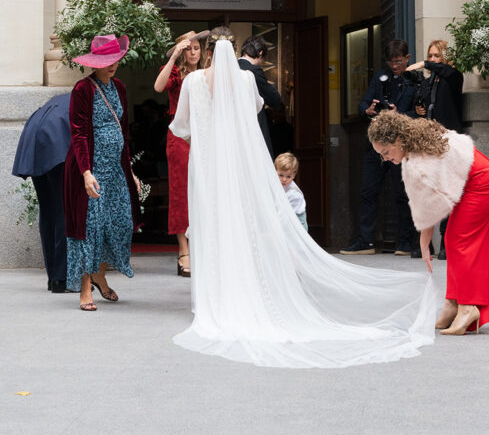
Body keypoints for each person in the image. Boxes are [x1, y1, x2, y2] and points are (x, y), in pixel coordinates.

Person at [169, 28, 437, 368]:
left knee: (213, 223)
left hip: (207, 166)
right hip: (239, 165)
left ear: (206, 52)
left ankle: (215, 299)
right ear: (232, 50)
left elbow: (181, 126)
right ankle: (245, 293)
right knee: (243, 224)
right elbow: (254, 112)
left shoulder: (193, 83)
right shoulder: (246, 81)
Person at [368, 112, 489, 335]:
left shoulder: (418, 157)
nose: (385, 158)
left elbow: (430, 204)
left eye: (385, 152)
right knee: (452, 239)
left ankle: (468, 306)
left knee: (460, 241)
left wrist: (424, 243)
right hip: (473, 179)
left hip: (481, 183)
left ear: (398, 140)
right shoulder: (415, 142)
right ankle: (453, 303)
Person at [63, 34, 141, 311]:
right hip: (91, 169)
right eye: (106, 61)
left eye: (115, 59)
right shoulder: (83, 89)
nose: (112, 64)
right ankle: (86, 287)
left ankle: (100, 274)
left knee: (118, 224)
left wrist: (129, 170)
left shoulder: (119, 87)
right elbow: (79, 134)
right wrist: (85, 172)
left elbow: (125, 133)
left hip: (116, 170)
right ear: (94, 63)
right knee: (90, 228)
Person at [340, 39, 420, 256]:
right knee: (368, 192)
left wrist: (399, 115)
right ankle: (366, 242)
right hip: (376, 146)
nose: (395, 66)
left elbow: (420, 113)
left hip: (400, 145)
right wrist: (369, 110)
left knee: (403, 193)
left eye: (398, 61)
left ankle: (405, 243)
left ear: (407, 58)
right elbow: (363, 104)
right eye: (391, 62)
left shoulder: (415, 80)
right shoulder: (380, 77)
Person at [153, 30, 208, 278]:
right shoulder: (176, 72)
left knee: (205, 190)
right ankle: (183, 250)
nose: (193, 52)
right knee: (181, 192)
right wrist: (174, 56)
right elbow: (158, 86)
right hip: (179, 136)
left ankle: (204, 248)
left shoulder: (208, 72)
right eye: (189, 48)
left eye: (196, 47)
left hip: (205, 134)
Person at [407, 39, 465, 260]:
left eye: (436, 56)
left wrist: (424, 64)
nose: (432, 60)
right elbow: (423, 102)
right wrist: (420, 109)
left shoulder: (453, 76)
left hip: (448, 142)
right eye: (430, 56)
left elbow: (447, 72)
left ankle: (447, 245)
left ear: (445, 58)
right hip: (429, 141)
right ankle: (424, 244)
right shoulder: (430, 81)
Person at [12, 92, 71, 292]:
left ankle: (54, 277)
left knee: (49, 211)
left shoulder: (61, 99)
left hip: (35, 139)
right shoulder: (86, 98)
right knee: (65, 210)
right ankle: (62, 278)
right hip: (56, 143)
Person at [238, 34, 283, 155]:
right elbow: (275, 100)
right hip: (253, 127)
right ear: (261, 53)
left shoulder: (231, 68)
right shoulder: (253, 71)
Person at [274, 152, 308, 231]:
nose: (284, 179)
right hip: (285, 222)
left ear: (294, 175)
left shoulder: (294, 194)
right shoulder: (277, 185)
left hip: (298, 227)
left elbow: (283, 216)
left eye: (288, 176)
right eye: (281, 175)